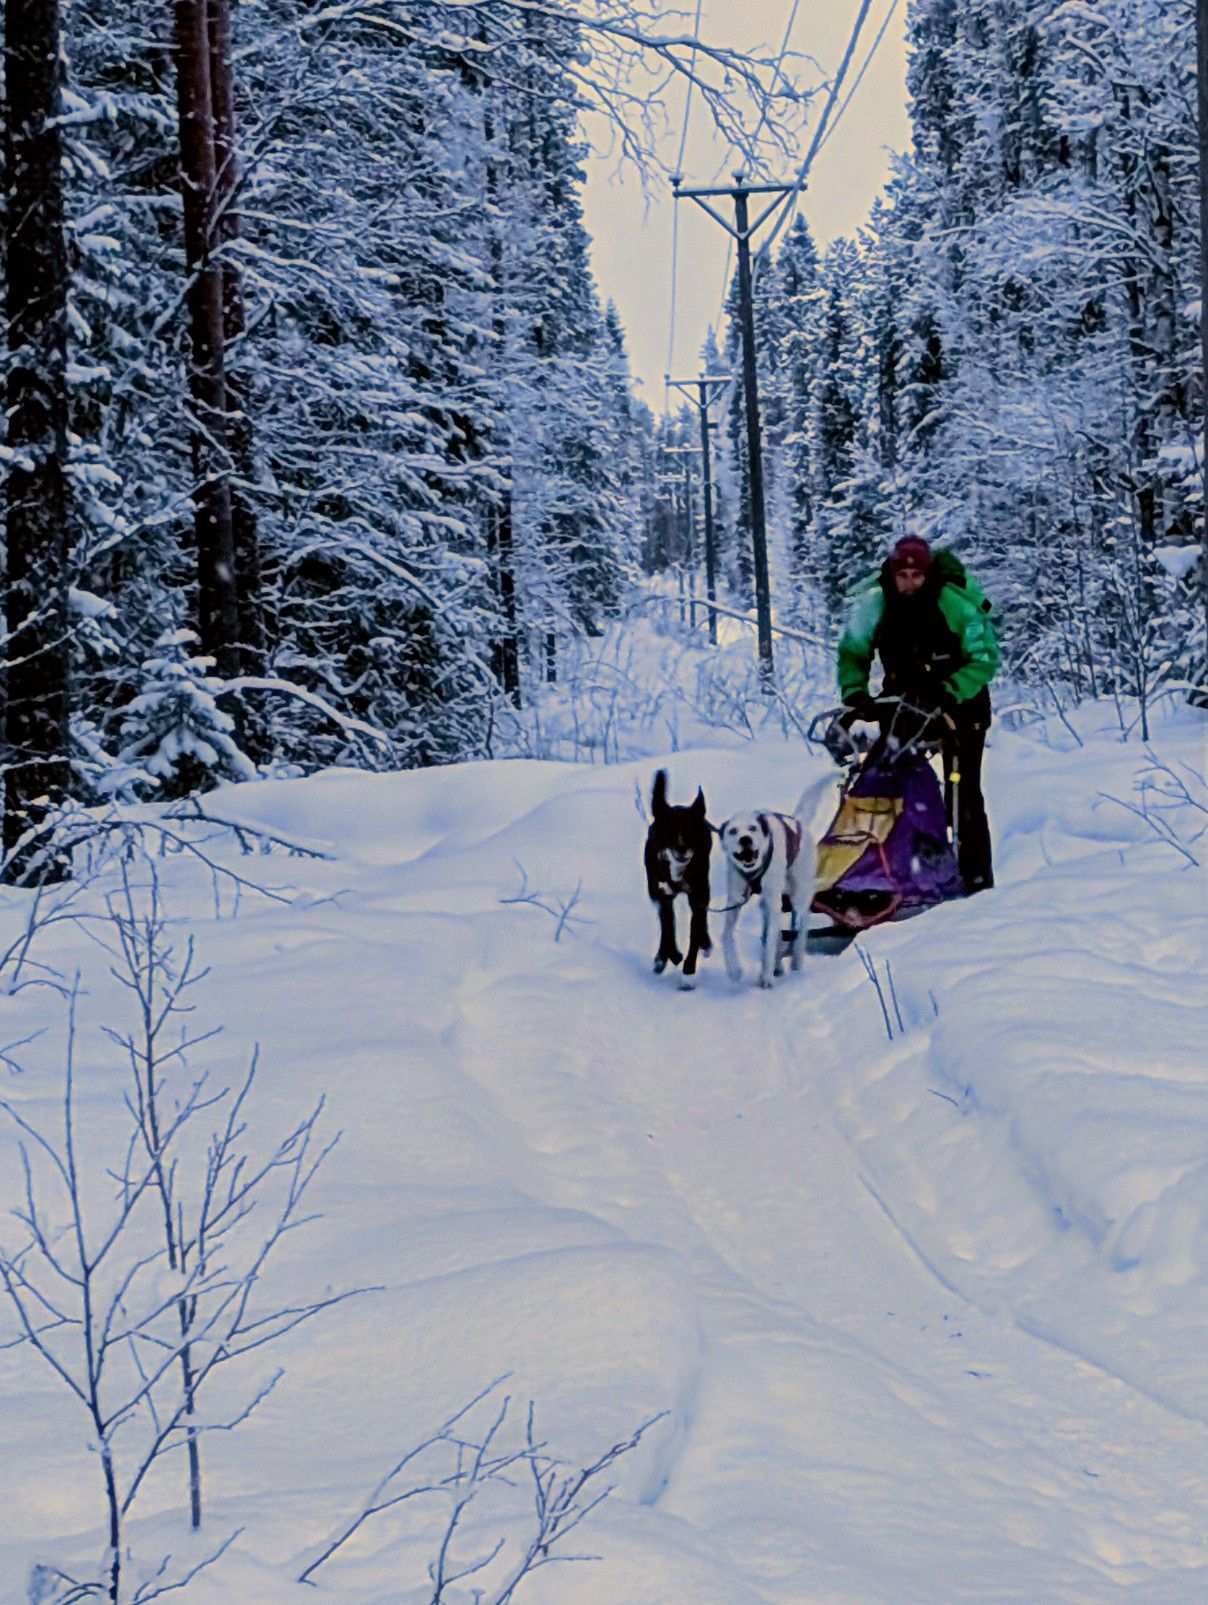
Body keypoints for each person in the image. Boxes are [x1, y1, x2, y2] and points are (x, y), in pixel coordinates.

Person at [836, 535, 999, 894]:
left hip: (961, 703)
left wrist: (949, 690)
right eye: (903, 575)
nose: (909, 583)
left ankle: (976, 880)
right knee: (888, 782)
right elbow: (852, 652)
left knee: (963, 789)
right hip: (904, 702)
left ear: (928, 575)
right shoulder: (874, 605)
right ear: (892, 575)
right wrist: (856, 693)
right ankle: (886, 871)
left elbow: (985, 657)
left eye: (917, 576)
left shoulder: (955, 605)